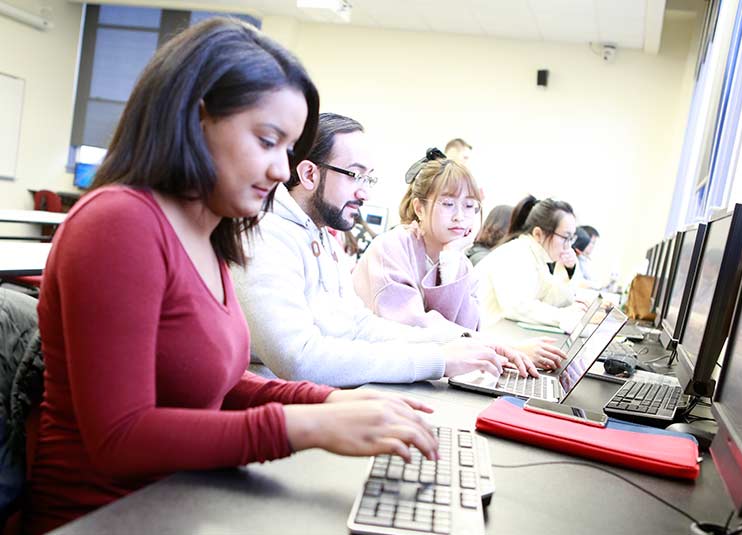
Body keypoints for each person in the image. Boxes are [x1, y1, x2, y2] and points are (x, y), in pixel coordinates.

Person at [25, 20, 438, 534]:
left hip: (184, 498)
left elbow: (212, 381)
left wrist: (331, 401)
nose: (283, 171)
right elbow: (120, 437)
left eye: (288, 150)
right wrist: (303, 426)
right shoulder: (119, 223)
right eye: (268, 141)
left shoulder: (211, 228)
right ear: (196, 120)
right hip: (107, 517)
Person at [233, 113, 536, 388]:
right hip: (274, 413)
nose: (364, 191)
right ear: (310, 175)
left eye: (368, 178)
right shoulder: (264, 234)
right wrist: (439, 360)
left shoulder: (321, 236)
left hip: (316, 400)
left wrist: (465, 341)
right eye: (354, 175)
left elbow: (359, 325)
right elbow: (298, 358)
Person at [351, 154, 565, 370]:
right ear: (419, 208)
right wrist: (502, 348)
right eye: (448, 204)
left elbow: (468, 330)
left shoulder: (460, 261)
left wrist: (451, 262)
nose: (460, 216)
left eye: (470, 206)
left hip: (428, 372)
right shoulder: (392, 247)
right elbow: (414, 327)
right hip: (376, 373)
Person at [474, 196, 587, 331]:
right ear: (538, 234)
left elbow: (550, 299)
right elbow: (519, 307)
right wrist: (565, 316)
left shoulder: (537, 257)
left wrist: (569, 268)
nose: (568, 246)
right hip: (482, 335)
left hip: (500, 333)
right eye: (565, 238)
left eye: (571, 238)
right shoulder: (516, 254)